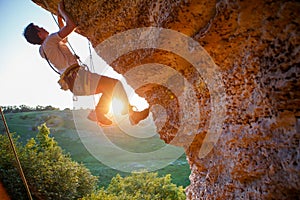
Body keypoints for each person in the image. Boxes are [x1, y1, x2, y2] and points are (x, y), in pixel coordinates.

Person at [23, 0, 149, 126]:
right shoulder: (50, 41)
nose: (43, 28)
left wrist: (59, 17)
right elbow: (71, 26)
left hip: (74, 84)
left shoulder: (43, 51)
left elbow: (64, 39)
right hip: (79, 77)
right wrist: (62, 11)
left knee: (109, 88)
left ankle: (100, 113)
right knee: (115, 84)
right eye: (39, 28)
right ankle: (129, 114)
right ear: (39, 34)